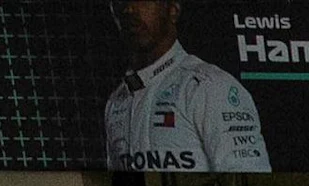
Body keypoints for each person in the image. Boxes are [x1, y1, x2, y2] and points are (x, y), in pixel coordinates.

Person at [102, 0, 268, 170]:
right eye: (119, 2)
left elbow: (248, 172)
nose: (129, 9)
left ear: (173, 10)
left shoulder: (210, 86)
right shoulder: (116, 101)